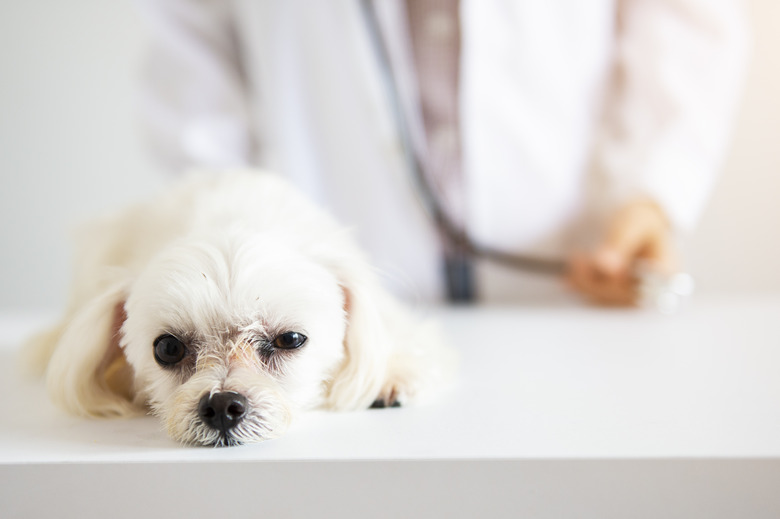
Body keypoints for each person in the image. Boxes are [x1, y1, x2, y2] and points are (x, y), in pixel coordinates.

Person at [134, 0, 748, 305]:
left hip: (575, 274)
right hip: (323, 292)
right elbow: (191, 67)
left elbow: (687, 20)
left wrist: (653, 191)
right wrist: (235, 248)